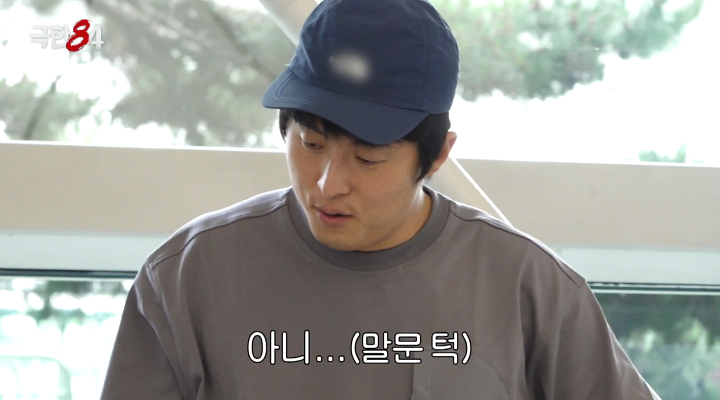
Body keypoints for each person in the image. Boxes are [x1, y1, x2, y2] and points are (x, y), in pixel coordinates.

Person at [99, 0, 662, 399]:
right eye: (311, 143)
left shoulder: (528, 288)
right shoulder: (188, 278)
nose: (328, 184)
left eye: (368, 158)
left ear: (436, 156)